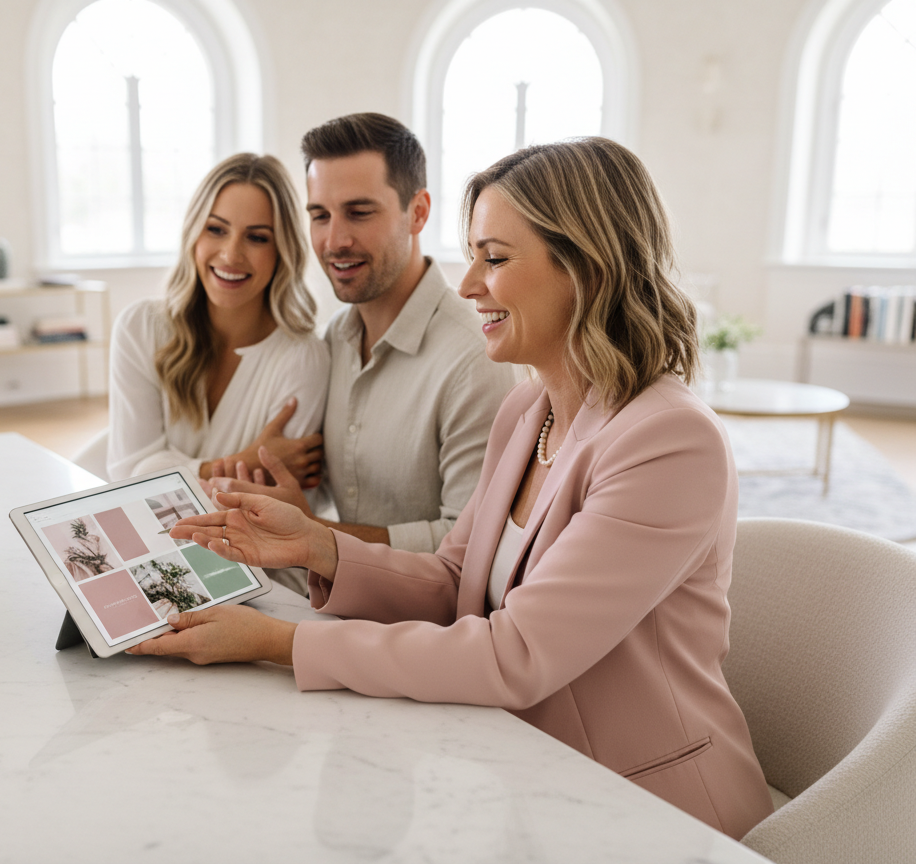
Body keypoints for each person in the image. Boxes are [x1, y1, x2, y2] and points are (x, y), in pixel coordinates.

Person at [130, 138, 775, 839]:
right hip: (519, 776)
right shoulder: (529, 412)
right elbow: (453, 579)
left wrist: (278, 643)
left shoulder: (667, 442)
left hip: (648, 811)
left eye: (494, 259)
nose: (467, 286)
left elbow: (515, 653)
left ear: (586, 267)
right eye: (472, 256)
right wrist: (320, 548)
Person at [208, 114, 514, 552]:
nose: (334, 240)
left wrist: (312, 532)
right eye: (320, 215)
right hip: (332, 594)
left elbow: (469, 546)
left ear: (418, 212)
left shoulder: (473, 359)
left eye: (359, 212)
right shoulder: (334, 340)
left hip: (416, 617)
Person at [106, 153, 330, 493]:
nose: (230, 255)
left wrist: (166, 472)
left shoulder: (304, 359)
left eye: (257, 237)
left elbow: (273, 506)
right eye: (216, 229)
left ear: (283, 250)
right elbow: (128, 479)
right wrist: (245, 463)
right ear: (194, 233)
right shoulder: (140, 328)